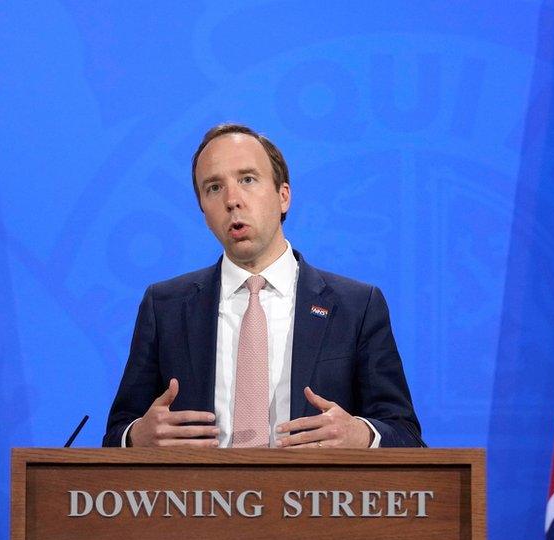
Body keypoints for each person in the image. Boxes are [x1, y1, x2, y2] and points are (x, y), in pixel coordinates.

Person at [102, 123, 424, 449]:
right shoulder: (165, 307)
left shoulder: (357, 306)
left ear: (283, 196)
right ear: (203, 210)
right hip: (199, 497)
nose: (232, 200)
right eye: (213, 187)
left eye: (247, 179)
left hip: (315, 497)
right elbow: (117, 435)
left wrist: (361, 435)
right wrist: (136, 437)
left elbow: (406, 436)